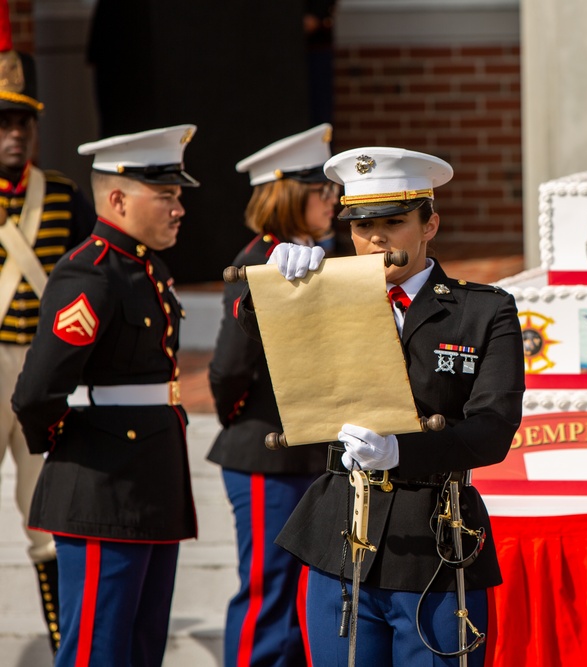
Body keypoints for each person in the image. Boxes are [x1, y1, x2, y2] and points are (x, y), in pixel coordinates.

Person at [237, 147, 525, 665]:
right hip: (341, 534)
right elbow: (257, 334)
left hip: (434, 537)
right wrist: (274, 291)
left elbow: (494, 429)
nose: (375, 239)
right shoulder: (328, 296)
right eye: (361, 225)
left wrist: (401, 452)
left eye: (393, 222)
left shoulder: (484, 310)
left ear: (429, 224)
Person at [11, 125, 199, 666]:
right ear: (117, 198)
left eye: (178, 195)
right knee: (98, 650)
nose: (178, 208)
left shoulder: (149, 268)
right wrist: (72, 450)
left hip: (152, 476)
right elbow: (36, 393)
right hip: (101, 483)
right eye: (164, 195)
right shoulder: (88, 274)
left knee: (142, 650)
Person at [208, 123, 335, 667]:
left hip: (308, 451)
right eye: (322, 190)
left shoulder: (316, 254)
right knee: (269, 593)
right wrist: (247, 421)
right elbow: (227, 369)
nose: (335, 201)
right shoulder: (259, 261)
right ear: (287, 193)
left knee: (307, 599)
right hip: (267, 451)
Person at [0, 14, 97, 652]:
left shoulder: (61, 196)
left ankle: (66, 645)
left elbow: (86, 275)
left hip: (39, 366)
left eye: (21, 122)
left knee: (45, 518)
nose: (12, 134)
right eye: (1, 124)